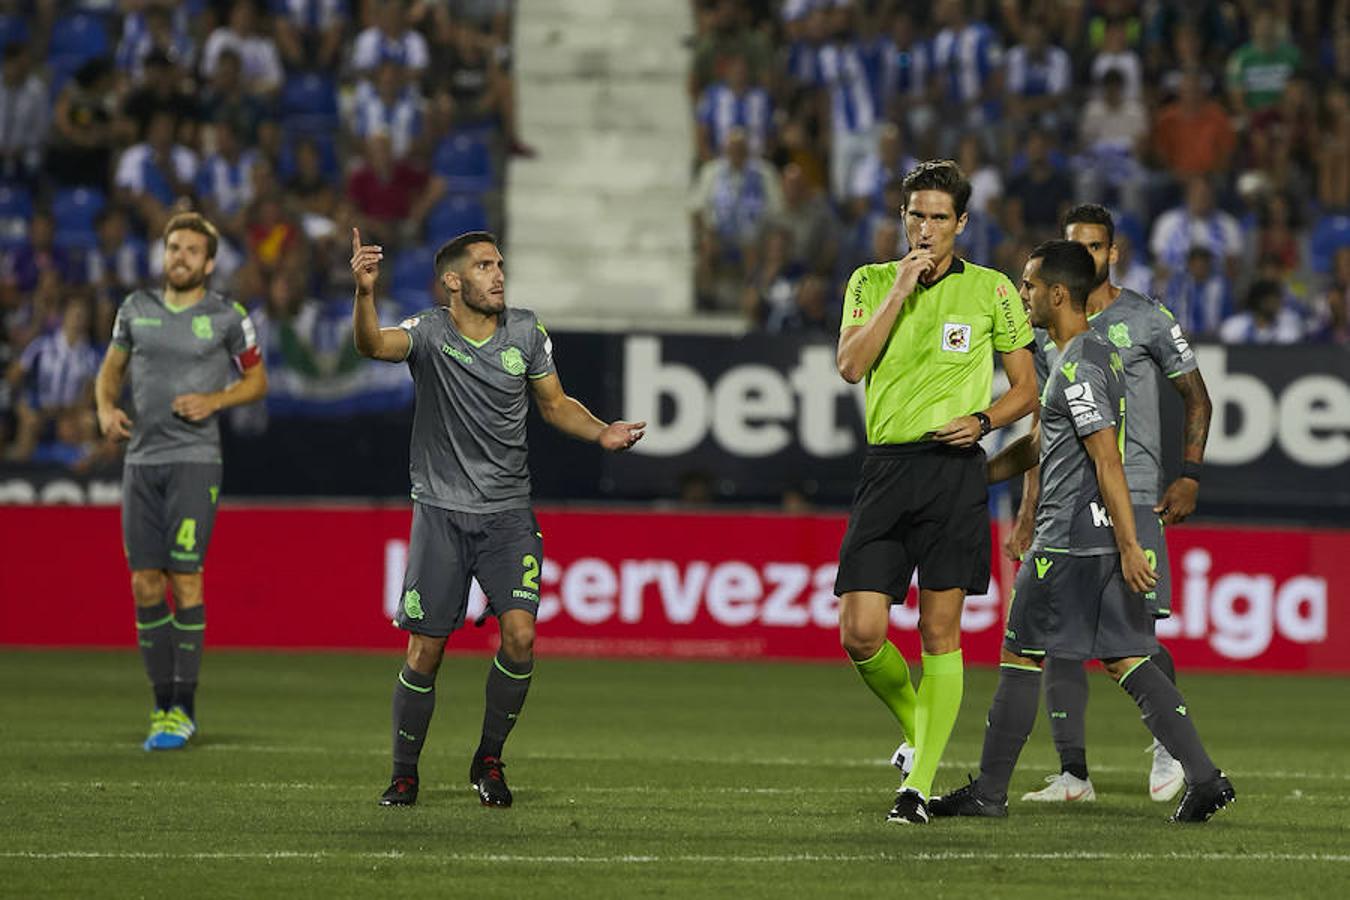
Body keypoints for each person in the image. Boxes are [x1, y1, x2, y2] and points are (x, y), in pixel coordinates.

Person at [928, 239, 1234, 824]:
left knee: (1020, 654)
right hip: (1091, 537)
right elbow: (1047, 443)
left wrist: (1129, 544)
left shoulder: (1077, 367)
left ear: (1058, 293)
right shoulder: (1088, 356)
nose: (1022, 298)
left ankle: (989, 793)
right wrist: (982, 475)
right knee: (1127, 657)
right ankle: (1204, 777)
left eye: (1028, 287)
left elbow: (1106, 461)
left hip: (1068, 542)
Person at [349, 228, 645, 808]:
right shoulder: (429, 332)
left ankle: (488, 758)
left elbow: (555, 404)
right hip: (440, 514)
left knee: (521, 635)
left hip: (508, 515)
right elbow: (371, 346)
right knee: (425, 651)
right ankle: (404, 772)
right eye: (485, 266)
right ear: (453, 281)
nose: (499, 274)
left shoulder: (526, 331)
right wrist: (364, 294)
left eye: (500, 264)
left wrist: (601, 430)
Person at [834, 159, 1038, 825]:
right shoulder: (869, 281)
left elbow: (1028, 390)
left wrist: (983, 421)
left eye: (939, 217)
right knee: (861, 632)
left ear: (962, 224)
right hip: (887, 466)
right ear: (904, 218)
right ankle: (923, 729)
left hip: (954, 470)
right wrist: (898, 290)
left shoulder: (993, 290)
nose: (926, 228)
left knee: (938, 629)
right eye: (916, 215)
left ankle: (916, 790)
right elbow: (850, 366)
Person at [1005, 204, 1214, 805]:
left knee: (1134, 635)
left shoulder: (1146, 319)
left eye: (1097, 247)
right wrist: (1027, 513)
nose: (1089, 256)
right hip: (1068, 505)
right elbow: (1048, 434)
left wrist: (1191, 474)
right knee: (1056, 638)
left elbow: (1197, 398)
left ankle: (1170, 746)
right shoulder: (1050, 333)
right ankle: (1074, 775)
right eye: (1077, 246)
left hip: (1136, 494)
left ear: (1113, 253)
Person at [93, 212, 268, 751]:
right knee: (144, 583)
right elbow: (110, 372)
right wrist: (104, 410)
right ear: (163, 253)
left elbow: (257, 380)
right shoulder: (135, 309)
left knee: (185, 578)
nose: (181, 257)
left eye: (193, 250)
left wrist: (214, 400)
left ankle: (184, 710)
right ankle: (161, 705)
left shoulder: (227, 316)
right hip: (141, 461)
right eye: (174, 247)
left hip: (195, 459)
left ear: (209, 262)